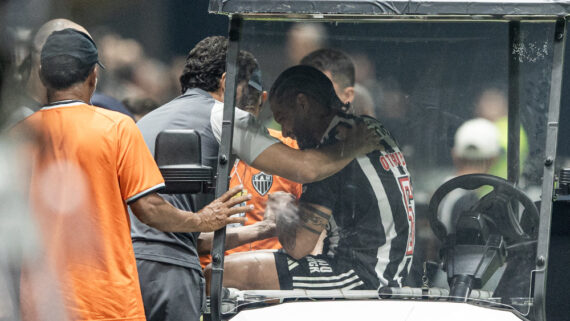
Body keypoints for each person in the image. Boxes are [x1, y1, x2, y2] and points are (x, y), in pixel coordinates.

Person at [132, 36, 380, 321]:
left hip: (125, 265)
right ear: (226, 83)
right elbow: (306, 168)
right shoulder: (223, 117)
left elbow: (163, 222)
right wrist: (357, 144)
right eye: (248, 91)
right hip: (170, 270)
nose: (253, 106)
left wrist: (262, 229)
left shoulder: (146, 122)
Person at [12, 28, 251, 321]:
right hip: (107, 304)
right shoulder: (117, 128)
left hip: (38, 305)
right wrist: (203, 219)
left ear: (42, 74)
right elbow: (150, 209)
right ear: (92, 76)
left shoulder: (18, 136)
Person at [211, 65, 416, 292]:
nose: (286, 132)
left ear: (302, 103)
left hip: (359, 275)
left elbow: (298, 247)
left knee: (218, 274)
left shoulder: (327, 150)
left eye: (283, 119)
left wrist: (283, 209)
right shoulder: (371, 126)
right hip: (389, 271)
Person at [199, 65, 303, 269]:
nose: (244, 104)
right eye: (238, 98)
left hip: (272, 282)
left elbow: (318, 228)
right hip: (211, 280)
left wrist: (291, 219)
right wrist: (263, 228)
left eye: (251, 97)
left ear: (262, 100)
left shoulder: (289, 151)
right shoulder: (200, 150)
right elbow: (183, 237)